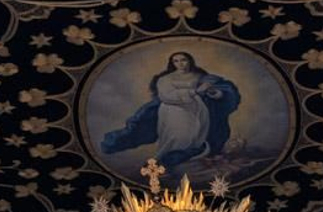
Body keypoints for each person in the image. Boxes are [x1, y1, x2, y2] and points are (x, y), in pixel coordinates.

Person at [101, 52, 242, 170]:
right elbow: (166, 96)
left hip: (198, 110)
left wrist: (214, 93)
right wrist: (195, 91)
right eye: (176, 61)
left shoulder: (199, 76)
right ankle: (165, 161)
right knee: (178, 136)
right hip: (174, 111)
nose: (180, 63)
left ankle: (188, 162)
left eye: (183, 60)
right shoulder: (165, 79)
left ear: (189, 61)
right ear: (172, 63)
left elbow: (212, 91)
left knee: (196, 137)